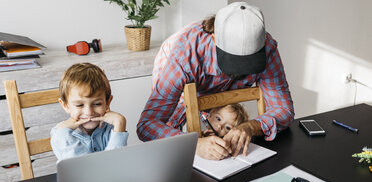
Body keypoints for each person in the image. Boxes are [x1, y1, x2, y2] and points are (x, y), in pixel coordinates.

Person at [137, 2, 294, 161]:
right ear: (214, 39)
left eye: (249, 62)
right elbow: (147, 125)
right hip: (181, 63)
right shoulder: (183, 54)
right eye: (235, 62)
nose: (242, 70)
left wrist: (250, 126)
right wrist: (195, 144)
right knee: (173, 131)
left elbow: (284, 109)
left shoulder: (267, 48)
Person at [51, 63, 128, 160]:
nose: (89, 112)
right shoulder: (60, 134)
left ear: (107, 102)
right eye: (79, 105)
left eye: (97, 104)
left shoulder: (112, 129)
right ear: (65, 106)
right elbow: (85, 168)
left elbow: (117, 165)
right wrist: (63, 130)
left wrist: (119, 125)